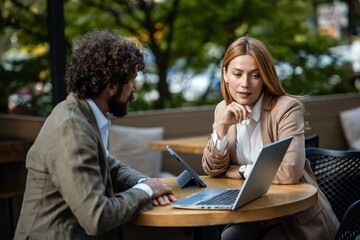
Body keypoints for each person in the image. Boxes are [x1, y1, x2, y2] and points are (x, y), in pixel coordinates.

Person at [14, 30, 177, 240]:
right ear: (110, 86)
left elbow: (110, 165)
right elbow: (97, 218)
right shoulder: (71, 128)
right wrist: (145, 191)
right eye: (131, 79)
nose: (134, 87)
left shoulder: (83, 114)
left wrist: (149, 183)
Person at [202, 36, 339, 240]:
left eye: (255, 75)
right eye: (237, 74)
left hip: (294, 216)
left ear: (265, 77)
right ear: (225, 74)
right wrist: (221, 127)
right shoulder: (223, 109)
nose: (245, 84)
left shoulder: (285, 108)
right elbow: (212, 170)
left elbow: (289, 172)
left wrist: (239, 170)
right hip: (252, 213)